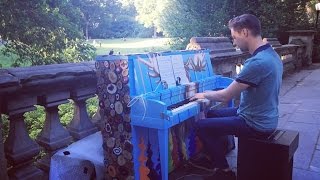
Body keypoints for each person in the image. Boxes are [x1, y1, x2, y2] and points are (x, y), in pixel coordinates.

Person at [190, 14, 283, 180]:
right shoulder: (272, 54)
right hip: (263, 115)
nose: (233, 42)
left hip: (255, 123)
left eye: (234, 37)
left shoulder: (257, 62)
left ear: (245, 32)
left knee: (200, 126)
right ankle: (219, 151)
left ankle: (224, 171)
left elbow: (225, 96)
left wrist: (202, 94)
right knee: (211, 115)